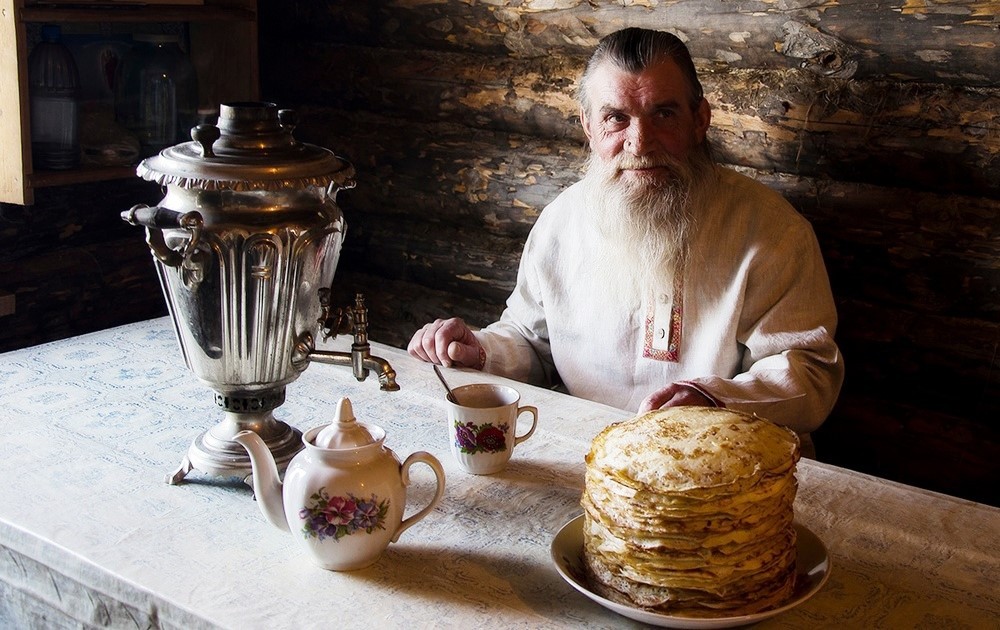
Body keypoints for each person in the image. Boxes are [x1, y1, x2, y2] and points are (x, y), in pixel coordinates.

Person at [408, 27, 843, 443]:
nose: (640, 142)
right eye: (616, 118)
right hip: (590, 456)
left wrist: (713, 401)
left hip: (726, 465)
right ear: (588, 127)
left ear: (700, 119)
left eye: (664, 114)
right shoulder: (562, 222)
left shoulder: (771, 230)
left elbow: (807, 372)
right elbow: (532, 342)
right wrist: (479, 351)